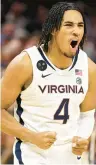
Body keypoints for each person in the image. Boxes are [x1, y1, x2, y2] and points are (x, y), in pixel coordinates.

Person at [1, 2, 96, 165]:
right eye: (69, 25)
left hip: (72, 159)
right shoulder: (25, 64)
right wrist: (30, 136)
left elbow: (87, 114)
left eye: (80, 25)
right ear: (53, 29)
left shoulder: (89, 68)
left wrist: (82, 137)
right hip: (33, 157)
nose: (76, 30)